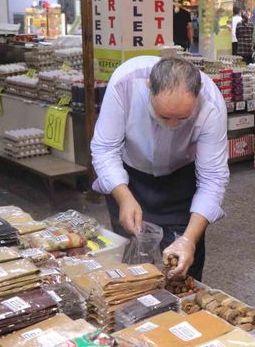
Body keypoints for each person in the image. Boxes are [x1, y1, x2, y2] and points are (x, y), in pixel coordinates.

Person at [91, 56, 230, 281]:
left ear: (199, 92)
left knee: (181, 270)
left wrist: (188, 240)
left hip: (180, 180)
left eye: (183, 118)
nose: (172, 125)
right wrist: (124, 197)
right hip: (129, 178)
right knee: (130, 264)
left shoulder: (211, 103)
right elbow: (105, 148)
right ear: (148, 87)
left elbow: (213, 178)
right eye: (164, 116)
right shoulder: (125, 83)